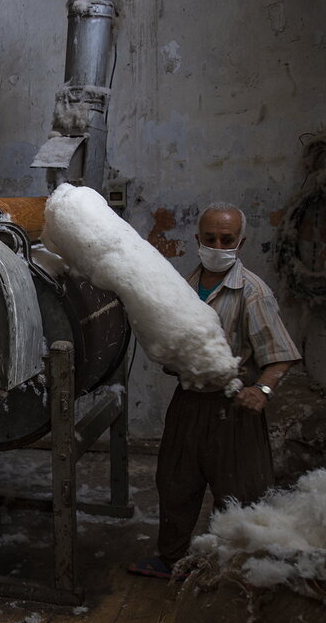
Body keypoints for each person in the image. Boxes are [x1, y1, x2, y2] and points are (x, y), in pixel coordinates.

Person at [128, 202, 301, 580]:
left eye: (227, 239)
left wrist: (263, 390)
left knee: (241, 492)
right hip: (189, 401)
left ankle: (238, 567)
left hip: (234, 406)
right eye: (211, 239)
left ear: (241, 242)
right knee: (175, 483)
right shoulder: (183, 289)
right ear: (198, 240)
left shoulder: (252, 293)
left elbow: (281, 356)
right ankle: (171, 558)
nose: (218, 245)